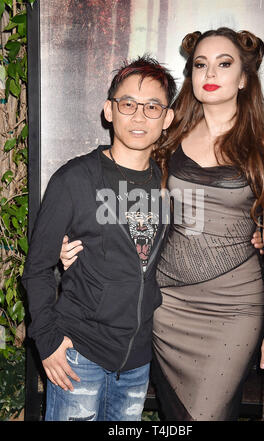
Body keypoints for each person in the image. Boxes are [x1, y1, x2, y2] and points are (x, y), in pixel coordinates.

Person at [60, 29, 264, 421]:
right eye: (200, 64)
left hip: (233, 305)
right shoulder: (169, 136)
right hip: (168, 304)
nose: (210, 72)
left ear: (244, 77)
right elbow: (125, 194)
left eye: (224, 64)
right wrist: (70, 235)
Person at [22, 56, 176, 421]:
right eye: (128, 104)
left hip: (138, 359)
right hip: (79, 354)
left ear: (167, 118)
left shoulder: (170, 184)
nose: (139, 116)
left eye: (153, 106)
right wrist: (47, 342)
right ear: (110, 110)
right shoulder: (74, 180)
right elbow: (37, 269)